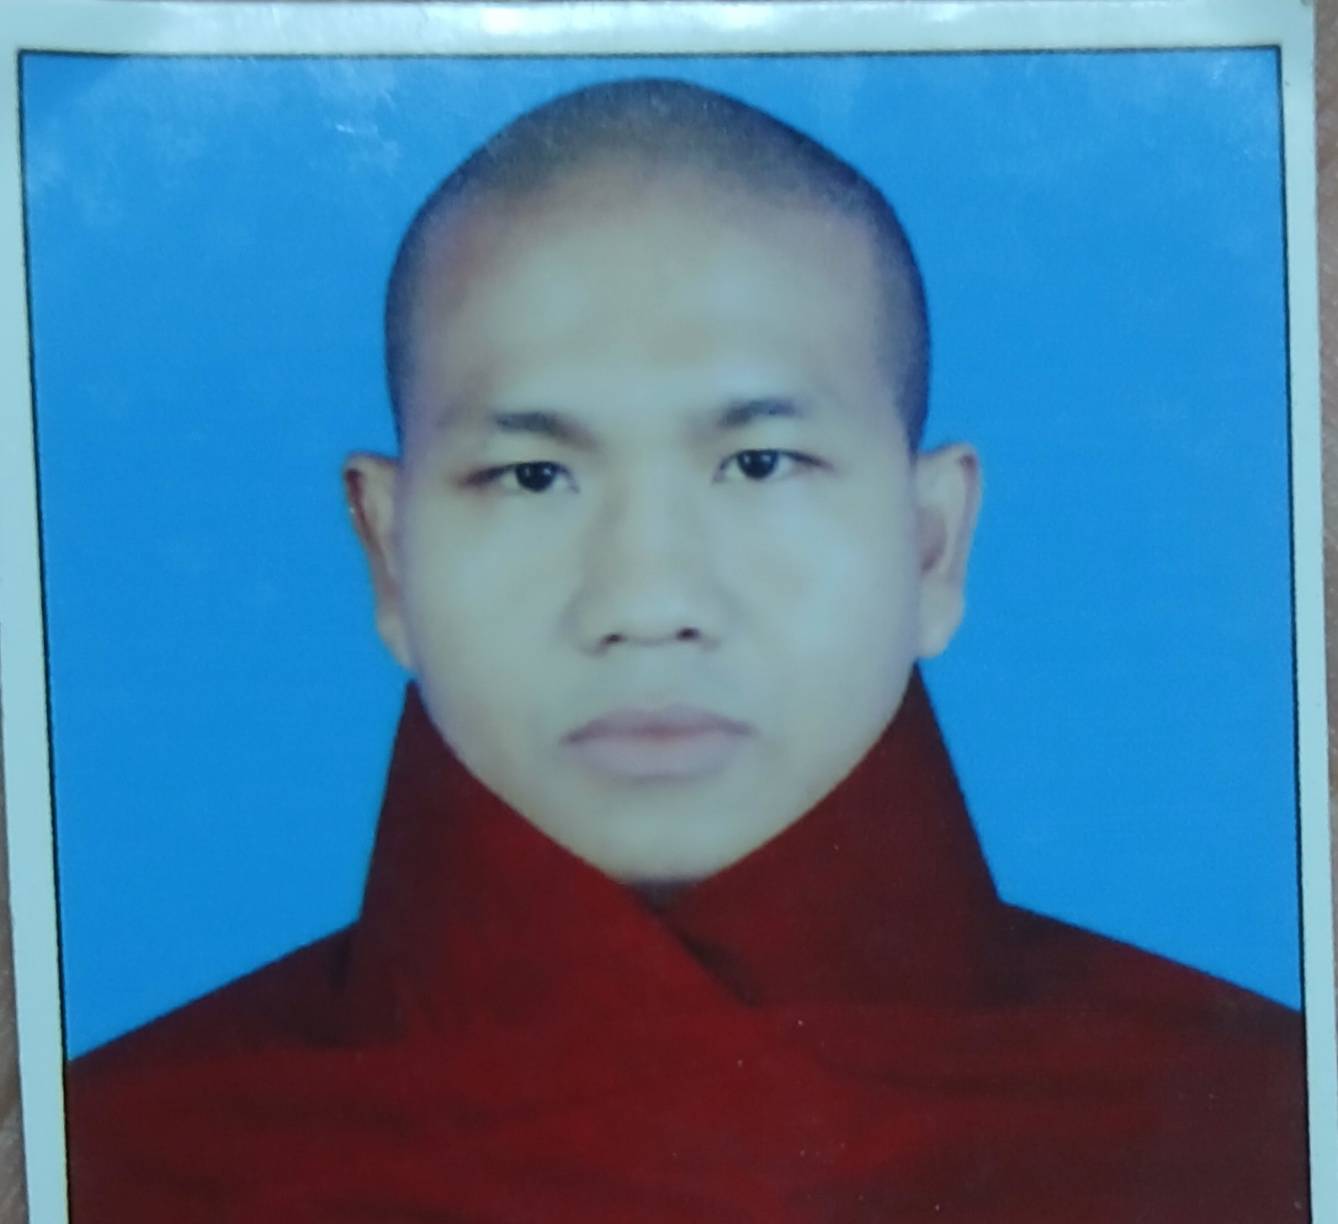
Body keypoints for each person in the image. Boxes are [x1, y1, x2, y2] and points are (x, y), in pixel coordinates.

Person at [65, 78, 1309, 1221]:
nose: (649, 600)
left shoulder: (1266, 1125)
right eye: (533, 474)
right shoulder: (105, 1155)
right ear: (389, 558)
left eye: (759, 463)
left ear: (933, 544)